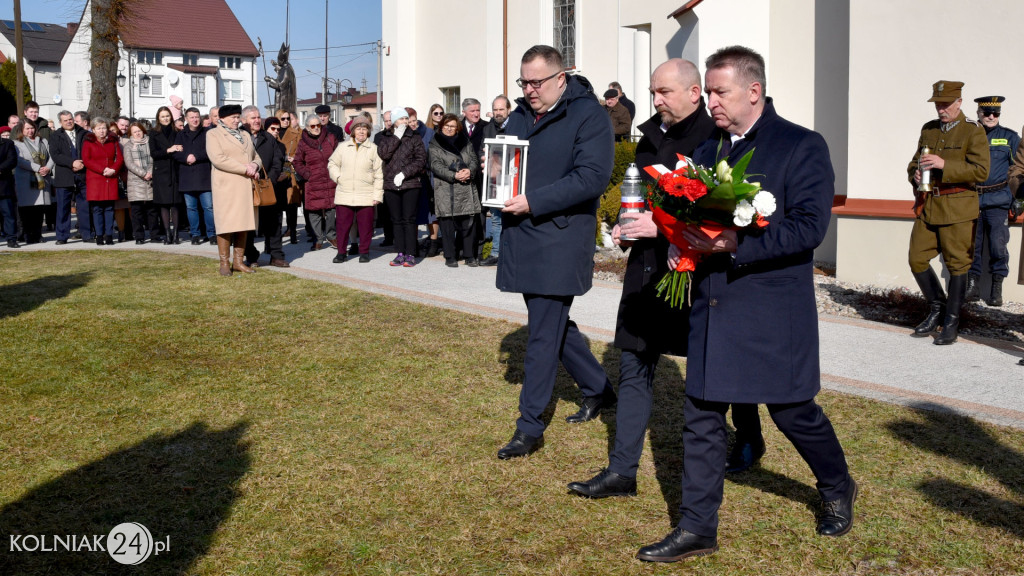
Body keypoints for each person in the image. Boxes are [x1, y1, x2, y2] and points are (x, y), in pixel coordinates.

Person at [637, 46, 856, 563]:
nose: (711, 101)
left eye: (720, 92)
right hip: (713, 306)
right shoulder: (708, 149)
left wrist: (736, 244)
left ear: (753, 91)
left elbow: (809, 227)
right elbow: (688, 215)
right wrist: (680, 243)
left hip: (771, 309)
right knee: (701, 414)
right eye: (709, 92)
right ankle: (697, 528)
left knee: (792, 412)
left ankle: (837, 484)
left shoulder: (800, 145)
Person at [567, 58, 716, 498]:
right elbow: (641, 200)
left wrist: (665, 228)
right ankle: (622, 471)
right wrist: (626, 225)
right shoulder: (649, 138)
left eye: (664, 92)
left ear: (694, 93)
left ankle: (747, 438)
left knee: (717, 370)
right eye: (653, 92)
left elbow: (718, 216)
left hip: (696, 275)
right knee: (633, 363)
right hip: (646, 271)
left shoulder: (715, 141)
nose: (655, 100)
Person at [495, 45, 616, 459]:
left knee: (543, 335)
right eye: (523, 82)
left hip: (559, 239)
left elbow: (592, 177)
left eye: (537, 82)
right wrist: (493, 171)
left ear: (561, 78)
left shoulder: (589, 115)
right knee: (553, 325)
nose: (529, 90)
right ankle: (598, 388)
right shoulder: (519, 114)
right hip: (524, 235)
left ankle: (529, 427)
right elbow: (505, 162)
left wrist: (534, 201)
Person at [907, 81, 989, 345]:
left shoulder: (973, 131)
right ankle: (936, 308)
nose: (941, 109)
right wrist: (914, 174)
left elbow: (981, 171)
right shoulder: (929, 129)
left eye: (946, 104)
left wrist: (945, 164)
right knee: (916, 258)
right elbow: (914, 162)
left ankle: (951, 322)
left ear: (959, 102)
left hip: (958, 208)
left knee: (957, 265)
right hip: (929, 204)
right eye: (938, 104)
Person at [965, 96, 1018, 307]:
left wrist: (1018, 198)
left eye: (995, 113)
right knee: (971, 245)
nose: (991, 116)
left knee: (998, 245)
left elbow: (1018, 169)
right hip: (972, 199)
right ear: (978, 113)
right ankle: (972, 286)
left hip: (998, 200)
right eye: (986, 112)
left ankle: (997, 287)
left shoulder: (1009, 137)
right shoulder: (968, 135)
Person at [207, 104, 262, 276]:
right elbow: (218, 159)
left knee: (243, 224)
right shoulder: (213, 134)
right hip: (226, 186)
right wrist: (245, 168)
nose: (237, 120)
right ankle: (224, 262)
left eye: (238, 117)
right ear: (222, 119)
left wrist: (255, 165)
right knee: (226, 224)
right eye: (233, 117)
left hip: (244, 186)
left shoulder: (244, 134)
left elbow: (256, 156)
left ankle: (238, 262)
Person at [376, 107, 427, 267]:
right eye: (401, 119)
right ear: (394, 122)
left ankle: (410, 253)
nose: (404, 122)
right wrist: (396, 137)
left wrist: (404, 173)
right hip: (391, 185)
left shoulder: (414, 136)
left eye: (406, 118)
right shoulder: (385, 137)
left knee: (409, 219)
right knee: (396, 220)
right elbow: (383, 154)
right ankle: (400, 253)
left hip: (410, 184)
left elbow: (420, 160)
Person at [429, 113, 482, 267]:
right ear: (441, 126)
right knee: (447, 225)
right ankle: (450, 256)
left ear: (457, 128)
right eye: (447, 126)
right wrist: (454, 175)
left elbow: (474, 159)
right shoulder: (434, 144)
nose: (449, 129)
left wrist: (469, 171)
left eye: (453, 126)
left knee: (468, 223)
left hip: (466, 186)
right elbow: (435, 165)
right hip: (447, 189)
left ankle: (469, 255)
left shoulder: (465, 141)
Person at [328, 115, 383, 263]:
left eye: (364, 129)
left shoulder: (373, 149)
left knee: (365, 227)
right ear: (353, 131)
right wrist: (338, 177)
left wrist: (377, 195)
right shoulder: (343, 147)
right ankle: (341, 252)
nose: (361, 131)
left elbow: (379, 174)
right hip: (344, 193)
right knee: (342, 226)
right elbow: (332, 163)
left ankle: (364, 252)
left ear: (368, 131)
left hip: (366, 194)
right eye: (358, 128)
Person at [245, 109, 289, 267]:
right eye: (253, 118)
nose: (257, 120)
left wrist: (269, 179)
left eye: (258, 117)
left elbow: (278, 161)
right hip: (245, 185)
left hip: (267, 186)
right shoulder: (240, 136)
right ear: (244, 120)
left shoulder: (268, 137)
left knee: (273, 222)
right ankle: (251, 256)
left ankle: (276, 255)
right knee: (248, 224)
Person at [293, 113, 339, 251]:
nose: (316, 128)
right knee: (314, 212)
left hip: (330, 179)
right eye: (312, 126)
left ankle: (331, 236)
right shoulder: (303, 143)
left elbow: (339, 156)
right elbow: (297, 162)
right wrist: (307, 174)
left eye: (318, 125)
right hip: (313, 181)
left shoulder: (330, 138)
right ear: (307, 128)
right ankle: (318, 239)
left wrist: (336, 173)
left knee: (331, 209)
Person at [174, 107, 216, 244]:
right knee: (191, 208)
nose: (195, 119)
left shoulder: (207, 133)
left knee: (208, 207)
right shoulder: (181, 135)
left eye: (197, 117)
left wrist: (196, 156)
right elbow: (176, 153)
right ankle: (195, 234)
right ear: (186, 119)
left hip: (204, 176)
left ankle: (212, 234)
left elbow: (211, 151)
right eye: (191, 117)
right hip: (187, 177)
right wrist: (186, 157)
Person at [479, 95, 512, 266]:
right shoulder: (488, 128)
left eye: (501, 109)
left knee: (511, 218)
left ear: (508, 110)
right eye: (495, 109)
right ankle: (496, 253)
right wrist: (486, 161)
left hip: (512, 179)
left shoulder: (517, 125)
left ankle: (510, 254)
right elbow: (482, 150)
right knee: (496, 219)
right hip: (493, 179)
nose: (498, 112)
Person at [48, 110, 90, 244]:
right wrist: (72, 163)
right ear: (60, 122)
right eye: (65, 120)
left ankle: (87, 234)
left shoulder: (84, 133)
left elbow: (89, 151)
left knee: (84, 207)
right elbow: (55, 155)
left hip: (82, 174)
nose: (69, 122)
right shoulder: (55, 136)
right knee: (63, 208)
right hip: (64, 175)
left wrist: (81, 163)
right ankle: (61, 236)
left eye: (70, 119)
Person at [81, 117, 124, 246]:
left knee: (109, 208)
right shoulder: (88, 142)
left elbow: (119, 158)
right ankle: (99, 235)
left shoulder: (113, 141)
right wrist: (102, 169)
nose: (101, 131)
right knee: (97, 209)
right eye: (98, 128)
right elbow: (87, 160)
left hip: (110, 178)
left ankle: (109, 235)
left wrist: (113, 169)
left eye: (104, 128)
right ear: (93, 130)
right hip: (95, 179)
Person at [12, 119, 55, 244]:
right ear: (21, 130)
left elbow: (51, 156)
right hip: (26, 179)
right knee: (27, 210)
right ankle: (28, 235)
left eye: (32, 128)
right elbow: (19, 160)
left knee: (39, 209)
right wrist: (37, 168)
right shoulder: (16, 143)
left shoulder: (43, 141)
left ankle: (38, 234)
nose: (30, 131)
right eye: (27, 128)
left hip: (43, 179)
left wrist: (48, 167)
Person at [122, 122, 159, 244]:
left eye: (139, 131)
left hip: (151, 179)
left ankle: (154, 235)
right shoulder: (128, 145)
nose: (137, 133)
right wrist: (143, 173)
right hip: (135, 181)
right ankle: (139, 236)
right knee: (136, 211)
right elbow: (129, 163)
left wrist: (150, 172)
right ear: (130, 134)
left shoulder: (150, 142)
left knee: (152, 210)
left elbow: (154, 158)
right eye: (134, 132)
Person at [150, 106, 182, 244]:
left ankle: (176, 234)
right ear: (158, 118)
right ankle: (167, 234)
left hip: (175, 170)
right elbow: (154, 153)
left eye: (167, 116)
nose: (165, 118)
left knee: (175, 204)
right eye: (162, 116)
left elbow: (181, 149)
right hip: (161, 172)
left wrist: (179, 149)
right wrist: (168, 150)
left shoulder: (177, 132)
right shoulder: (153, 133)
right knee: (163, 204)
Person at [276, 109, 303, 245]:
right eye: (283, 119)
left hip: (290, 170)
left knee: (291, 204)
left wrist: (295, 158)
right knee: (277, 205)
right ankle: (277, 235)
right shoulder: (272, 133)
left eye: (288, 118)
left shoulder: (296, 133)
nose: (286, 121)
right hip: (276, 171)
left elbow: (302, 150)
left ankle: (292, 232)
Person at [0, 133, 16, 247]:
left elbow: (12, 160)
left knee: (8, 213)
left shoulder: (7, 143)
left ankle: (11, 239)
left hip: (3, 185)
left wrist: (0, 168)